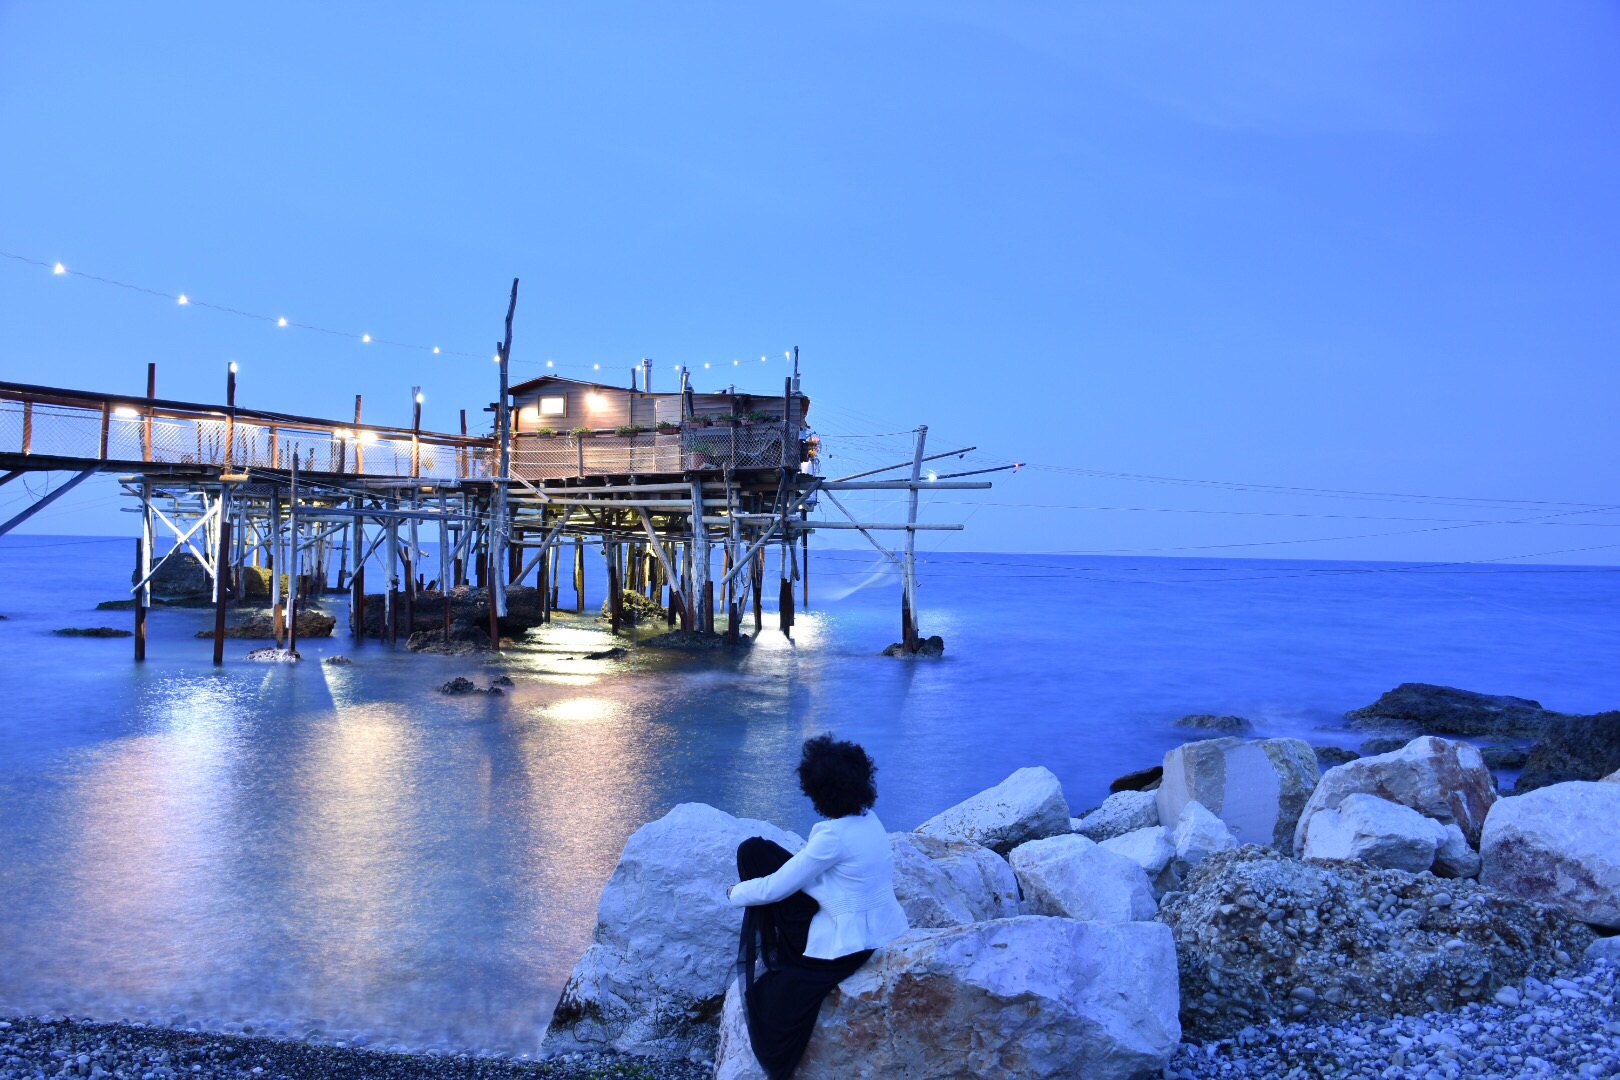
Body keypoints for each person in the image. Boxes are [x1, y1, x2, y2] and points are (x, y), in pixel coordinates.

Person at [727, 734, 909, 1079]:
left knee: (751, 854)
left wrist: (734, 892)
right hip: (885, 927)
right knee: (759, 849)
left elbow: (773, 888)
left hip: (846, 945)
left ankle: (779, 949)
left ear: (818, 792)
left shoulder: (831, 836)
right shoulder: (870, 820)